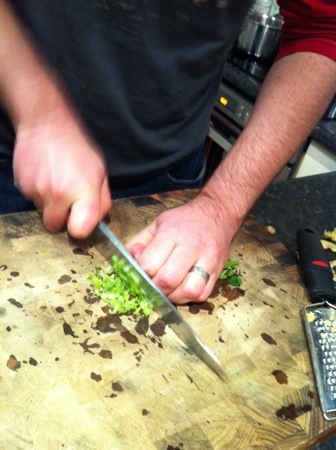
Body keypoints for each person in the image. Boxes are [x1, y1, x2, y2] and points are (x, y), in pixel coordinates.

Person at [0, 0, 335, 304]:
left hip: (170, 183)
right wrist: (39, 114)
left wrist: (221, 205)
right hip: (16, 155)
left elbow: (321, 30)